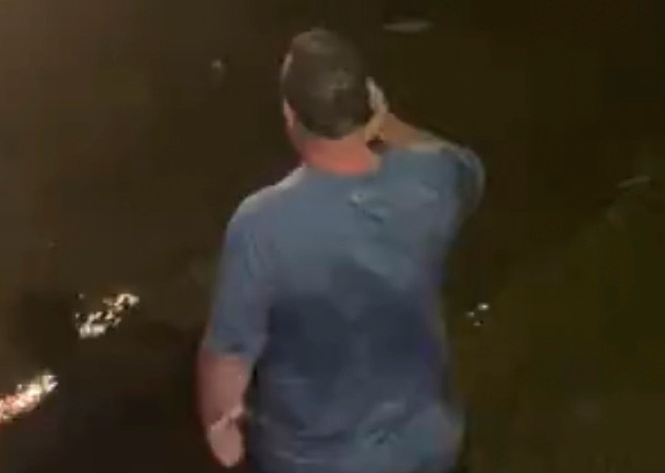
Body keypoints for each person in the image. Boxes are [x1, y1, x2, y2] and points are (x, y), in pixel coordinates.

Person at [198, 29, 483, 473]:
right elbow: (459, 163)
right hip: (429, 444)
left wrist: (222, 432)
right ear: (368, 100)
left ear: (290, 116)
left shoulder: (261, 226)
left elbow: (229, 356)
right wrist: (385, 122)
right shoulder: (434, 181)